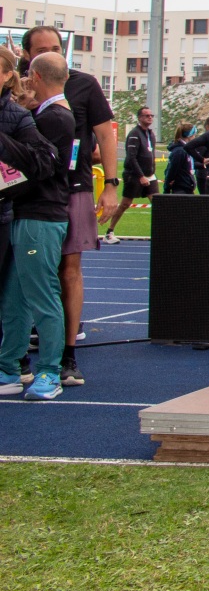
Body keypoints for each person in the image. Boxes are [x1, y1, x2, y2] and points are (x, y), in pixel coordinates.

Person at [22, 26, 115, 387]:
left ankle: (68, 354)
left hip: (73, 188)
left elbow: (105, 133)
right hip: (27, 193)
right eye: (41, 49)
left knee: (69, 269)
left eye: (56, 48)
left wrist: (111, 184)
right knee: (24, 271)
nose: (50, 53)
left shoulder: (84, 84)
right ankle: (20, 353)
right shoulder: (18, 87)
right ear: (28, 56)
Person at [0, 52, 68, 400]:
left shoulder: (52, 116)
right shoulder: (37, 113)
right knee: (14, 299)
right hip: (23, 212)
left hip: (40, 215)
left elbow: (45, 165)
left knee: (41, 295)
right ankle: (9, 367)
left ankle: (50, 372)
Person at [105, 105, 158, 243]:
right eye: (147, 115)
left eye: (151, 115)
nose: (150, 117)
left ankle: (162, 232)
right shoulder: (134, 134)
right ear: (139, 118)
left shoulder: (151, 134)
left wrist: (151, 172)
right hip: (134, 175)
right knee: (125, 204)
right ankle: (109, 232)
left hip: (150, 175)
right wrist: (141, 176)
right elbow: (131, 157)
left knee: (158, 203)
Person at [164, 125, 198, 195]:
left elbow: (186, 166)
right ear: (190, 135)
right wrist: (167, 188)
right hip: (181, 189)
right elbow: (172, 170)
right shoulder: (180, 151)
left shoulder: (185, 149)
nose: (195, 137)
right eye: (194, 135)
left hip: (187, 187)